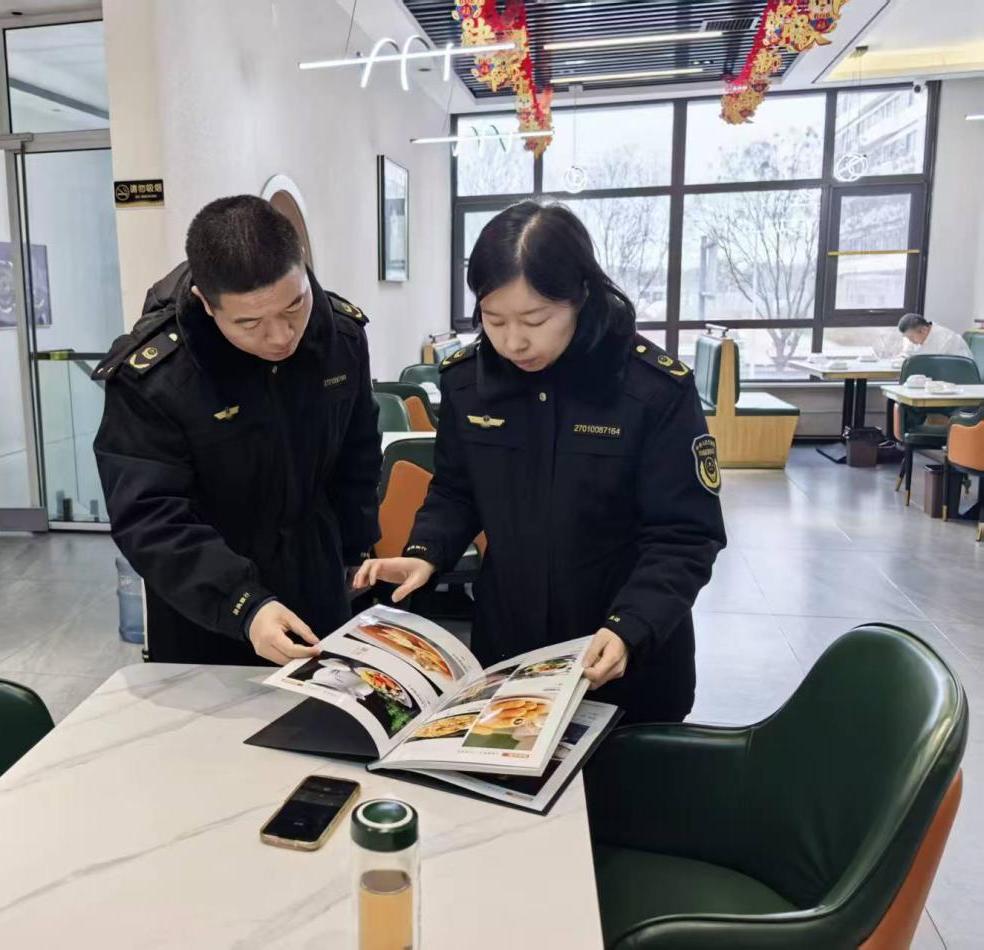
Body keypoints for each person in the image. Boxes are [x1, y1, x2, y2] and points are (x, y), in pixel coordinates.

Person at [354, 201, 726, 724]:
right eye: (494, 319)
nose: (513, 342)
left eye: (535, 319)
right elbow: (457, 490)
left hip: (625, 659)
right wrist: (427, 551)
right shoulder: (469, 382)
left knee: (620, 802)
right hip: (511, 653)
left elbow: (686, 535)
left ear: (582, 297)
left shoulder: (650, 390)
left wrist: (631, 625)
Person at [94, 195, 381, 666]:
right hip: (206, 603)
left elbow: (358, 453)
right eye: (249, 323)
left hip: (319, 577)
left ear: (303, 269)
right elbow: (150, 515)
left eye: (294, 307)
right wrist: (243, 605)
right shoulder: (156, 376)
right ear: (206, 304)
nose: (280, 336)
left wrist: (354, 551)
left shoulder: (340, 337)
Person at [898, 312, 972, 358]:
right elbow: (906, 355)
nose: (910, 341)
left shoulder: (948, 340)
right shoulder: (917, 340)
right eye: (907, 338)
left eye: (911, 337)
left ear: (924, 330)